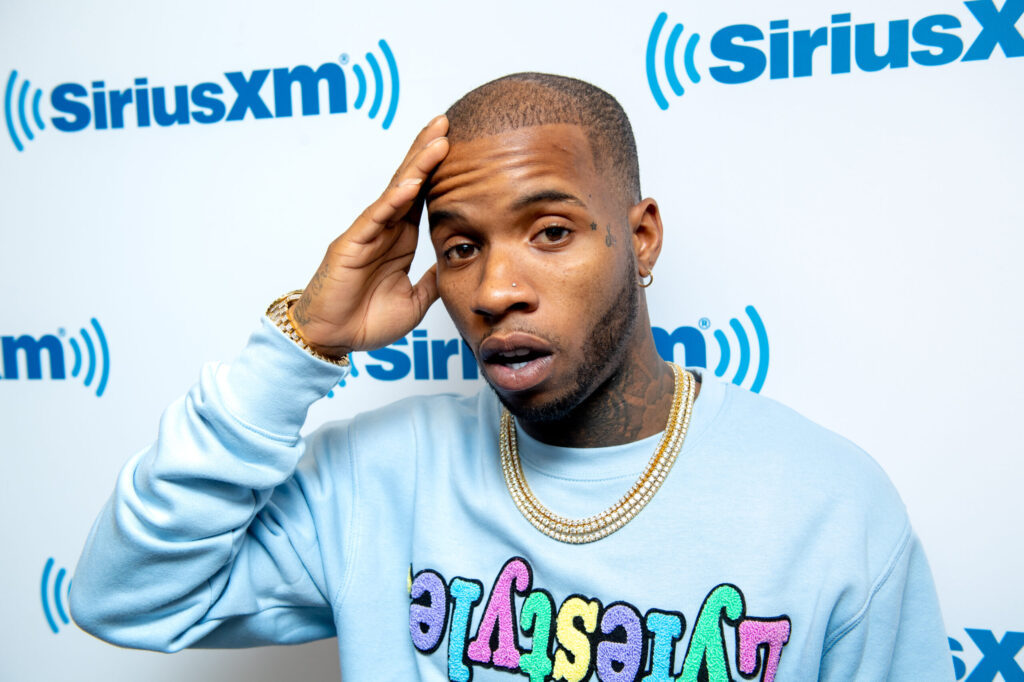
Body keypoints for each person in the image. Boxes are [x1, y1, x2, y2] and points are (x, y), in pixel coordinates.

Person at [70, 73, 953, 681]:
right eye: (460, 247)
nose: (495, 290)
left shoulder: (828, 506)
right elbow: (126, 600)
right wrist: (303, 344)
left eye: (550, 232)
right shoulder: (375, 480)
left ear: (640, 238)